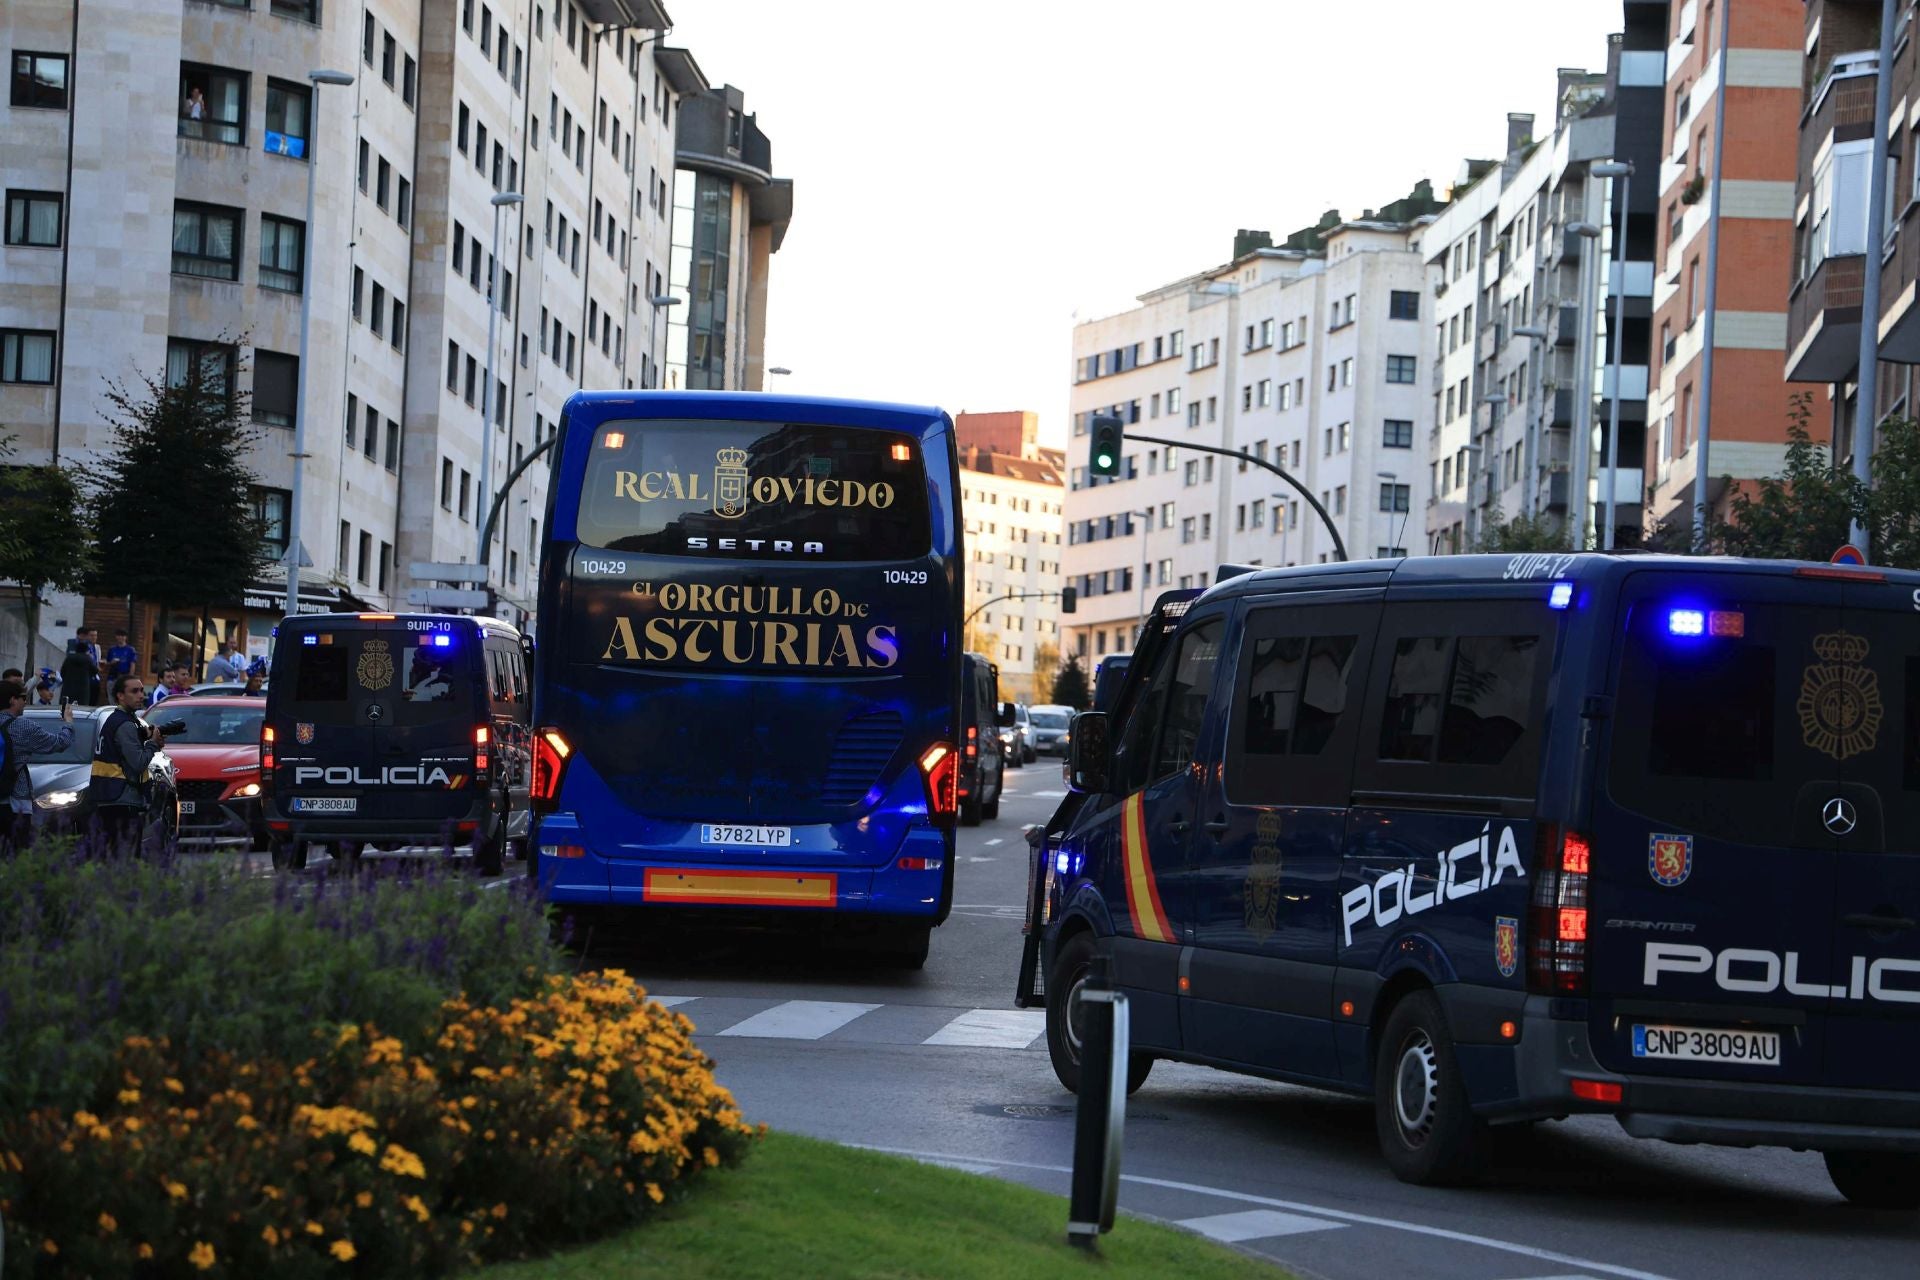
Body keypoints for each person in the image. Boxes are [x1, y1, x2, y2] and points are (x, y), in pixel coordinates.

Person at [89, 674, 167, 854]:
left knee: (113, 854)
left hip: (110, 797)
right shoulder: (124, 724)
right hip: (122, 799)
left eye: (141, 691)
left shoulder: (117, 720)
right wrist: (153, 744)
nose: (141, 695)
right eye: (134, 691)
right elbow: (138, 763)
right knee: (126, 856)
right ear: (120, 696)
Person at [0, 677, 74, 853]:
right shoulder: (22, 726)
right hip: (14, 802)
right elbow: (59, 743)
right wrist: (68, 724)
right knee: (16, 854)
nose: (25, 702)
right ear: (12, 700)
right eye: (23, 698)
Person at [60, 627, 99, 706]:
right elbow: (95, 670)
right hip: (83, 687)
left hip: (68, 686)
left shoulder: (69, 658)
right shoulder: (88, 659)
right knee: (82, 706)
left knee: (66, 705)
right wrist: (88, 676)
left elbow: (63, 671)